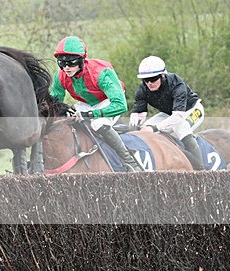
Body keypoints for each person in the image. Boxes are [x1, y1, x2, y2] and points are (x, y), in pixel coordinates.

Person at [50, 35, 143, 172]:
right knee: (66, 119)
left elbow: (120, 105)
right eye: (62, 63)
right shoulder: (60, 75)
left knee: (98, 123)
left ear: (81, 61)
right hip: (86, 103)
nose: (67, 68)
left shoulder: (100, 73)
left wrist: (92, 114)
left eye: (71, 63)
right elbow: (54, 102)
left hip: (109, 100)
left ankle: (130, 161)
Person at [129, 55, 205, 170]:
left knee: (181, 127)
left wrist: (155, 128)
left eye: (153, 79)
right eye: (145, 80)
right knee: (145, 129)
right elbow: (139, 114)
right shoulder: (143, 89)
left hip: (191, 110)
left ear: (163, 75)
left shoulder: (177, 84)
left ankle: (201, 170)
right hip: (168, 114)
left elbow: (178, 116)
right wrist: (134, 127)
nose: (149, 83)